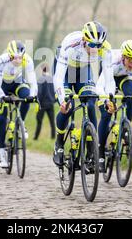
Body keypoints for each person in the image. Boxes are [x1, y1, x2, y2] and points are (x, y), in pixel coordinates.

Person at [52, 21, 114, 166]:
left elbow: (109, 79)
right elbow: (58, 78)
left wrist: (109, 99)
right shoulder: (70, 44)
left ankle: (92, 148)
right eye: (92, 45)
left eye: (98, 46)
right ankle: (59, 143)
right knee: (68, 106)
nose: (95, 49)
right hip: (67, 72)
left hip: (83, 71)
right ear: (84, 40)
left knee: (91, 102)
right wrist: (62, 100)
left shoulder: (106, 49)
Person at [96, 40, 132, 172]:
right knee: (106, 114)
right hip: (109, 77)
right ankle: (100, 152)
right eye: (130, 60)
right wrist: (105, 101)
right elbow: (99, 87)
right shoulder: (112, 61)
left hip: (125, 78)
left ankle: (125, 127)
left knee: (130, 95)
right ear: (123, 57)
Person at [0, 40, 37, 168]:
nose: (18, 60)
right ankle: (2, 152)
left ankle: (21, 123)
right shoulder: (2, 60)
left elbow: (33, 81)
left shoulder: (27, 60)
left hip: (17, 83)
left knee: (27, 96)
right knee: (1, 118)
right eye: (15, 57)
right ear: (9, 55)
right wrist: (2, 96)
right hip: (2, 86)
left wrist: (33, 96)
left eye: (20, 57)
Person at [34, 64, 56, 140]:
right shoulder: (51, 79)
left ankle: (36, 138)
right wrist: (53, 100)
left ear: (42, 70)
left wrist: (37, 101)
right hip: (51, 103)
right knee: (52, 122)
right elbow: (54, 91)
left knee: (39, 121)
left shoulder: (40, 79)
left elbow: (39, 92)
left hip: (42, 104)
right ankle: (53, 137)